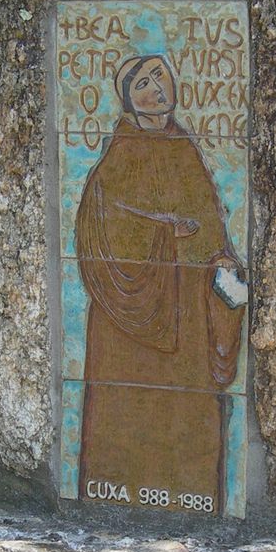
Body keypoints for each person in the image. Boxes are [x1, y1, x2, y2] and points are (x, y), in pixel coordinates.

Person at [74, 53, 246, 515]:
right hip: (128, 321)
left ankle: (195, 495)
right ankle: (112, 491)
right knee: (128, 406)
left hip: (188, 309)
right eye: (142, 84)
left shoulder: (185, 146)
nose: (156, 88)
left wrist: (223, 260)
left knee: (189, 414)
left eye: (159, 76)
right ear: (129, 101)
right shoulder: (119, 154)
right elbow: (99, 228)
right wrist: (162, 233)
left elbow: (211, 222)